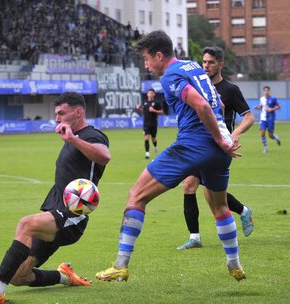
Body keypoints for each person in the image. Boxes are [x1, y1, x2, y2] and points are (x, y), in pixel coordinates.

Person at [96, 30, 245, 283]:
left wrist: (216, 139)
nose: (146, 64)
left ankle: (121, 264)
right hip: (221, 151)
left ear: (159, 55)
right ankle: (234, 264)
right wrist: (222, 139)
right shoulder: (194, 67)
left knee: (136, 196)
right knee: (220, 207)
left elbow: (202, 104)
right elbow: (218, 102)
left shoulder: (170, 76)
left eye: (146, 59)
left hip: (194, 145)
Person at [0, 92, 111, 304]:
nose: (57, 118)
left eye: (62, 113)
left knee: (26, 224)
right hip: (54, 210)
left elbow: (104, 156)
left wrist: (73, 139)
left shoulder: (91, 135)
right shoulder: (70, 137)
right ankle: (65, 276)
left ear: (78, 112)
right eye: (56, 114)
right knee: (18, 276)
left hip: (73, 215)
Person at [177, 46, 255, 250]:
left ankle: (243, 211)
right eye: (204, 62)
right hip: (197, 144)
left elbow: (249, 116)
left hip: (218, 147)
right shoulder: (197, 87)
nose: (206, 66)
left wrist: (235, 133)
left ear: (221, 64)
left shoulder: (230, 90)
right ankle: (194, 237)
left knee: (213, 193)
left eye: (211, 62)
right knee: (190, 185)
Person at [135, 88, 164, 159]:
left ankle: (155, 146)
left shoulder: (157, 102)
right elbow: (144, 110)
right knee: (146, 138)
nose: (150, 94)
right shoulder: (145, 102)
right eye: (149, 93)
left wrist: (154, 110)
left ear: (154, 94)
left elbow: (161, 112)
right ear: (147, 94)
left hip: (153, 124)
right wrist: (139, 108)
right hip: (146, 124)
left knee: (153, 138)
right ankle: (147, 153)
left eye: (151, 93)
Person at [254, 86, 281, 153]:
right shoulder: (262, 99)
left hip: (270, 118)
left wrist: (272, 109)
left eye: (267, 90)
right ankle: (266, 148)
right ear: (263, 91)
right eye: (265, 90)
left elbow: (279, 106)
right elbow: (261, 107)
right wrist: (257, 107)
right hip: (263, 118)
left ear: (269, 91)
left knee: (270, 136)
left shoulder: (273, 99)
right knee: (262, 133)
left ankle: (276, 138)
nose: (266, 91)